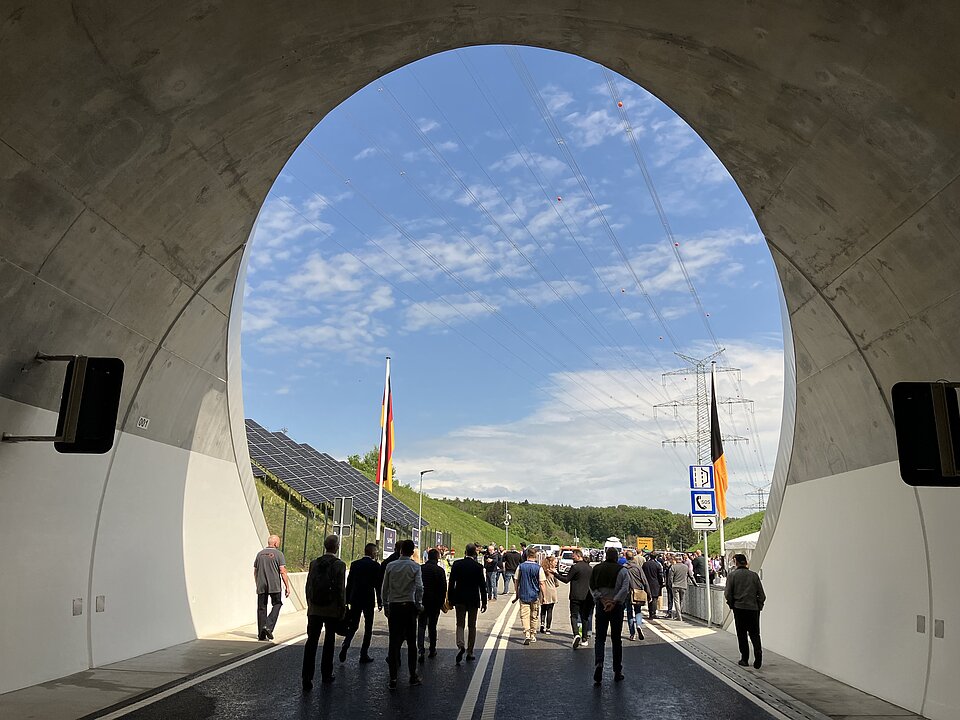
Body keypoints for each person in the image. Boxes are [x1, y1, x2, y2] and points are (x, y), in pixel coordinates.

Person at [302, 534, 346, 690]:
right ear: (336, 547)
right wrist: (342, 608)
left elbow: (308, 586)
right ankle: (326, 674)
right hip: (331, 609)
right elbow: (341, 589)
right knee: (329, 641)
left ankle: (306, 677)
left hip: (314, 609)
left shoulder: (314, 563)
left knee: (311, 642)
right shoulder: (339, 565)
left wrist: (310, 604)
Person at [382, 539, 424, 689]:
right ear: (412, 552)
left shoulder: (390, 566)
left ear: (400, 551)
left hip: (394, 607)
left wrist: (385, 605)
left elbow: (384, 588)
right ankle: (412, 675)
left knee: (393, 643)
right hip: (409, 606)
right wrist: (418, 604)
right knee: (411, 643)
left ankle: (393, 679)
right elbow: (419, 587)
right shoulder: (415, 567)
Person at [590, 547, 630, 685]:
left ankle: (599, 663)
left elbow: (592, 586)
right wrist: (614, 601)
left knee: (599, 638)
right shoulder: (623, 570)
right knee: (616, 639)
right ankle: (617, 670)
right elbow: (625, 588)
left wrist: (601, 599)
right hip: (616, 606)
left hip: (601, 606)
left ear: (606, 556)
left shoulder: (597, 569)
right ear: (617, 557)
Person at [339, 542, 381, 664]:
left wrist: (346, 600)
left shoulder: (355, 564)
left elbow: (349, 582)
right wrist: (380, 600)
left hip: (355, 598)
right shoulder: (375, 566)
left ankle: (346, 644)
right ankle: (364, 654)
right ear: (373, 553)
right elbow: (378, 585)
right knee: (368, 628)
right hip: (368, 599)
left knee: (353, 625)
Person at [724, 553, 766, 669]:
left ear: (736, 562)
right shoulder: (754, 576)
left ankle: (744, 658)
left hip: (739, 608)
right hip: (753, 609)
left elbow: (728, 593)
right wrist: (759, 606)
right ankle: (758, 653)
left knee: (741, 634)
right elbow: (762, 595)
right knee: (754, 633)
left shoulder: (732, 576)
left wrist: (731, 604)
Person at [448, 543, 487, 664]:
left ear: (465, 552)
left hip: (459, 598)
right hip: (473, 600)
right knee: (472, 626)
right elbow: (482, 586)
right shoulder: (478, 567)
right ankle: (470, 652)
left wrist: (450, 598)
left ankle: (460, 645)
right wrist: (484, 602)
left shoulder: (457, 564)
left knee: (460, 624)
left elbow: (451, 582)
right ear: (475, 553)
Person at [253, 535, 291, 641]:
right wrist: (287, 587)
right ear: (275, 543)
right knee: (277, 604)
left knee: (261, 608)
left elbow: (255, 571)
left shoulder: (259, 554)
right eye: (278, 542)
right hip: (274, 585)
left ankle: (261, 634)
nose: (279, 544)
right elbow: (282, 571)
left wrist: (257, 583)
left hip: (261, 585)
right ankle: (268, 626)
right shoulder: (279, 554)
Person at [557, 548, 594, 648]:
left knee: (574, 616)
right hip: (587, 596)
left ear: (578, 556)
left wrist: (555, 574)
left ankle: (576, 634)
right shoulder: (589, 568)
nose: (572, 558)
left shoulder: (575, 567)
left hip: (575, 596)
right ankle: (585, 638)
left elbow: (566, 580)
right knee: (584, 617)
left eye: (573, 556)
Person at [417, 548, 447, 661]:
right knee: (432, 626)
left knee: (421, 625)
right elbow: (443, 588)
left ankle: (420, 649)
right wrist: (441, 603)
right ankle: (432, 648)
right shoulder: (439, 571)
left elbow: (417, 585)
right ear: (437, 557)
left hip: (422, 601)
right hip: (435, 602)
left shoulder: (421, 568)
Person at [515, 547, 545, 645]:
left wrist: (517, 592)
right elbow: (542, 583)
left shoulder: (521, 566)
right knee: (534, 616)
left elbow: (516, 580)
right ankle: (533, 634)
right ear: (535, 556)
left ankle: (527, 633)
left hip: (523, 594)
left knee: (524, 615)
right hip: (534, 595)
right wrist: (543, 596)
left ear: (527, 555)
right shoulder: (539, 568)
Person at [623, 549, 650, 640]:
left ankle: (632, 634)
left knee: (629, 613)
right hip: (638, 591)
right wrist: (648, 594)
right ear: (633, 557)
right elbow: (645, 581)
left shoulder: (624, 568)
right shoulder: (638, 568)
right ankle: (639, 625)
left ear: (626, 557)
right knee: (638, 611)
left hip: (627, 592)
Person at [667, 551, 696, 620]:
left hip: (675, 585)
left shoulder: (673, 567)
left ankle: (678, 615)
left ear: (676, 560)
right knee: (681, 600)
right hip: (683, 585)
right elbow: (691, 576)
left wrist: (670, 585)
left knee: (676, 601)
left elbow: (670, 578)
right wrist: (695, 583)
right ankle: (680, 614)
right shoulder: (686, 567)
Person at [641, 552, 664, 620]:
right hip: (655, 583)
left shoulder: (645, 564)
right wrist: (661, 583)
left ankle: (650, 612)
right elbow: (660, 575)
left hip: (647, 583)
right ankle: (653, 613)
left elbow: (642, 573)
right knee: (654, 598)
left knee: (649, 598)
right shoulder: (657, 565)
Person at [539, 555, 559, 634]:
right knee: (550, 610)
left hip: (543, 591)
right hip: (551, 591)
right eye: (555, 562)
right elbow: (557, 583)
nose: (556, 564)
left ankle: (542, 624)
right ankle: (548, 628)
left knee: (543, 609)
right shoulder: (553, 572)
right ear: (551, 562)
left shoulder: (542, 570)